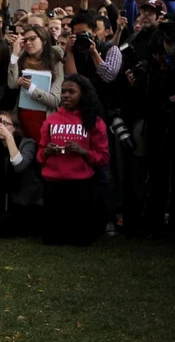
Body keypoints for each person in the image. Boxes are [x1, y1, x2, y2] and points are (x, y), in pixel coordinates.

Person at [37, 74, 109, 246]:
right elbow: (39, 156)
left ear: (82, 94)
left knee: (80, 240)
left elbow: (104, 157)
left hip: (81, 187)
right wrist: (47, 152)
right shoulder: (51, 120)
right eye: (63, 92)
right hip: (54, 185)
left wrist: (83, 152)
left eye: (71, 91)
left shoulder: (94, 122)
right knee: (52, 240)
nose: (66, 95)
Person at [0, 111, 42, 237]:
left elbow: (19, 166)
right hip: (2, 197)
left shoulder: (27, 143)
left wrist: (9, 137)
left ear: (15, 128)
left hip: (24, 200)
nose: (1, 126)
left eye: (5, 123)